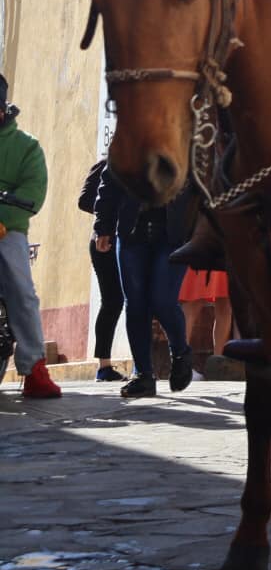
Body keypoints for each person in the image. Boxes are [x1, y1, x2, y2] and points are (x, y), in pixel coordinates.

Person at [94, 160, 195, 397]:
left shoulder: (186, 139)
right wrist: (103, 226)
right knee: (136, 305)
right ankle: (144, 376)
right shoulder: (131, 138)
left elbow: (203, 186)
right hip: (132, 234)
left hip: (172, 234)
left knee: (163, 300)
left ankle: (180, 352)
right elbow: (108, 182)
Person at [0, 73, 60, 398]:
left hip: (8, 230)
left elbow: (33, 193)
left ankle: (34, 367)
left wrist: (4, 218)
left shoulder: (27, 146)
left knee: (22, 293)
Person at [78, 160, 125, 382]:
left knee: (127, 301)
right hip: (105, 240)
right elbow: (85, 200)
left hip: (127, 240)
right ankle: (104, 366)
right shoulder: (106, 165)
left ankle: (139, 366)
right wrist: (110, 215)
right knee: (113, 300)